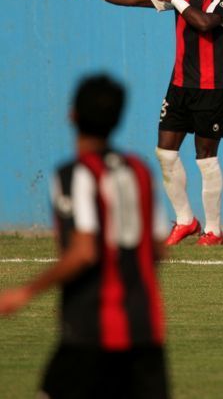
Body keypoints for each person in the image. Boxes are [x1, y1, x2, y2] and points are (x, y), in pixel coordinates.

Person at [59, 0, 223, 246]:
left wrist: (175, 0)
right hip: (180, 85)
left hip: (212, 88)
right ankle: (186, 221)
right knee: (165, 153)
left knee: (205, 158)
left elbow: (205, 23)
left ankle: (214, 231)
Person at [0, 74, 170, 398]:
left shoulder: (75, 173)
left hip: (91, 330)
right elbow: (159, 248)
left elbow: (83, 252)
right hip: (145, 330)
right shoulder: (140, 171)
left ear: (72, 115)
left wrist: (24, 292)